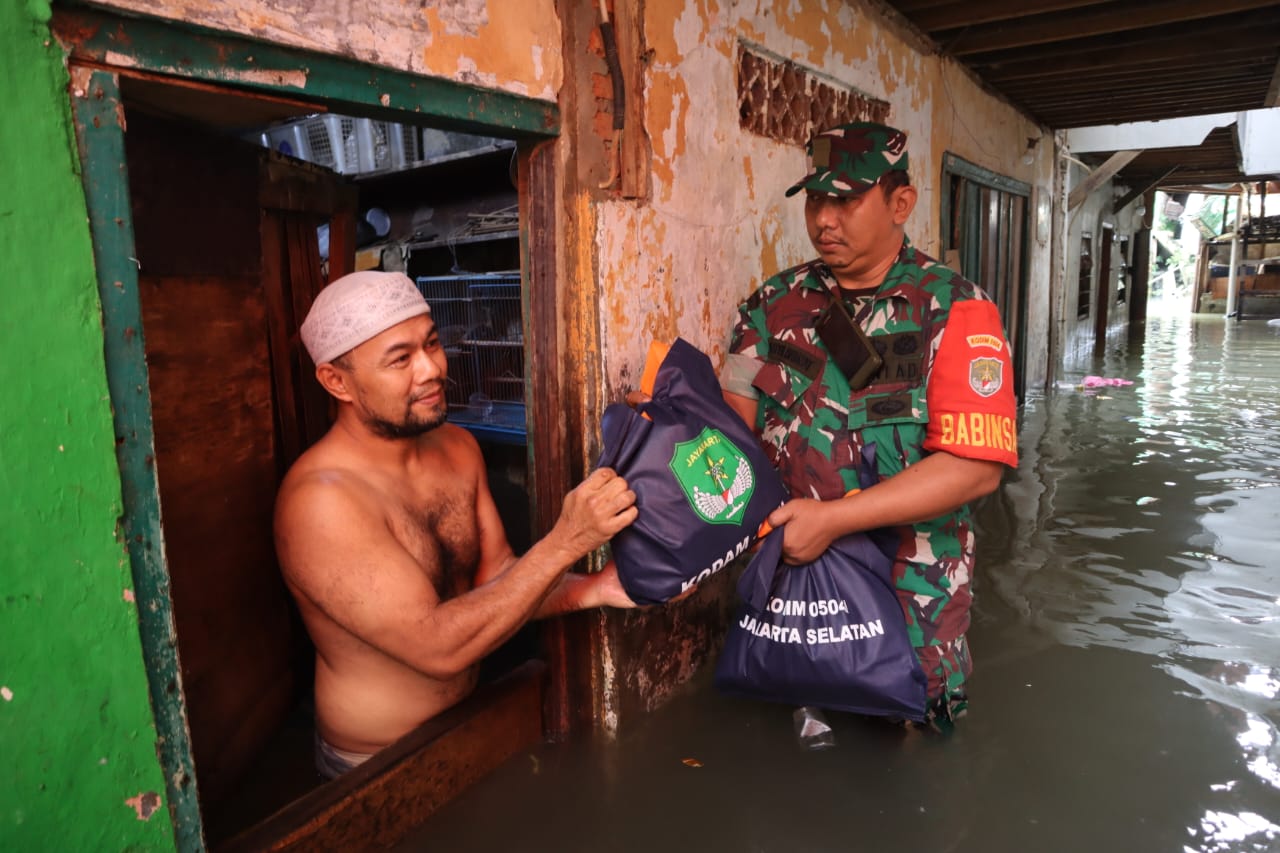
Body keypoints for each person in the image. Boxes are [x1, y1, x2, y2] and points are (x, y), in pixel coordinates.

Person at [274, 270, 638, 778]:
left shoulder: (456, 448)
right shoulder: (320, 502)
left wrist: (597, 588)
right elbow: (438, 647)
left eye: (432, 343)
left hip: (470, 725)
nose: (432, 369)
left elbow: (499, 580)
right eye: (400, 359)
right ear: (337, 382)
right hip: (376, 765)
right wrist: (568, 540)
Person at [719, 122, 1019, 731]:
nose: (824, 219)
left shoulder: (957, 310)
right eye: (815, 200)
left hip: (913, 601)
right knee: (793, 745)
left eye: (846, 200)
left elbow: (976, 468)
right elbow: (731, 429)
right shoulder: (768, 308)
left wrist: (831, 520)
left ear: (900, 202)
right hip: (796, 595)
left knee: (911, 752)